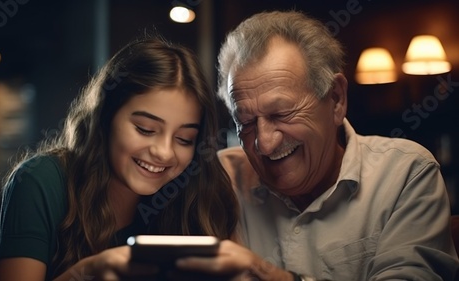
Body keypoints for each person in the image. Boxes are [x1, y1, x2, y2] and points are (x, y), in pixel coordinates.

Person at [174, 10, 459, 281]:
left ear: (336, 99)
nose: (265, 143)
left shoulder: (405, 174)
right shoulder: (221, 179)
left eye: (281, 114)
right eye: (246, 122)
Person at [0, 35, 239, 281]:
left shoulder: (200, 193)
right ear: (106, 116)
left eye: (184, 139)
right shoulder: (40, 181)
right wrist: (87, 271)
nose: (164, 152)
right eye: (145, 129)